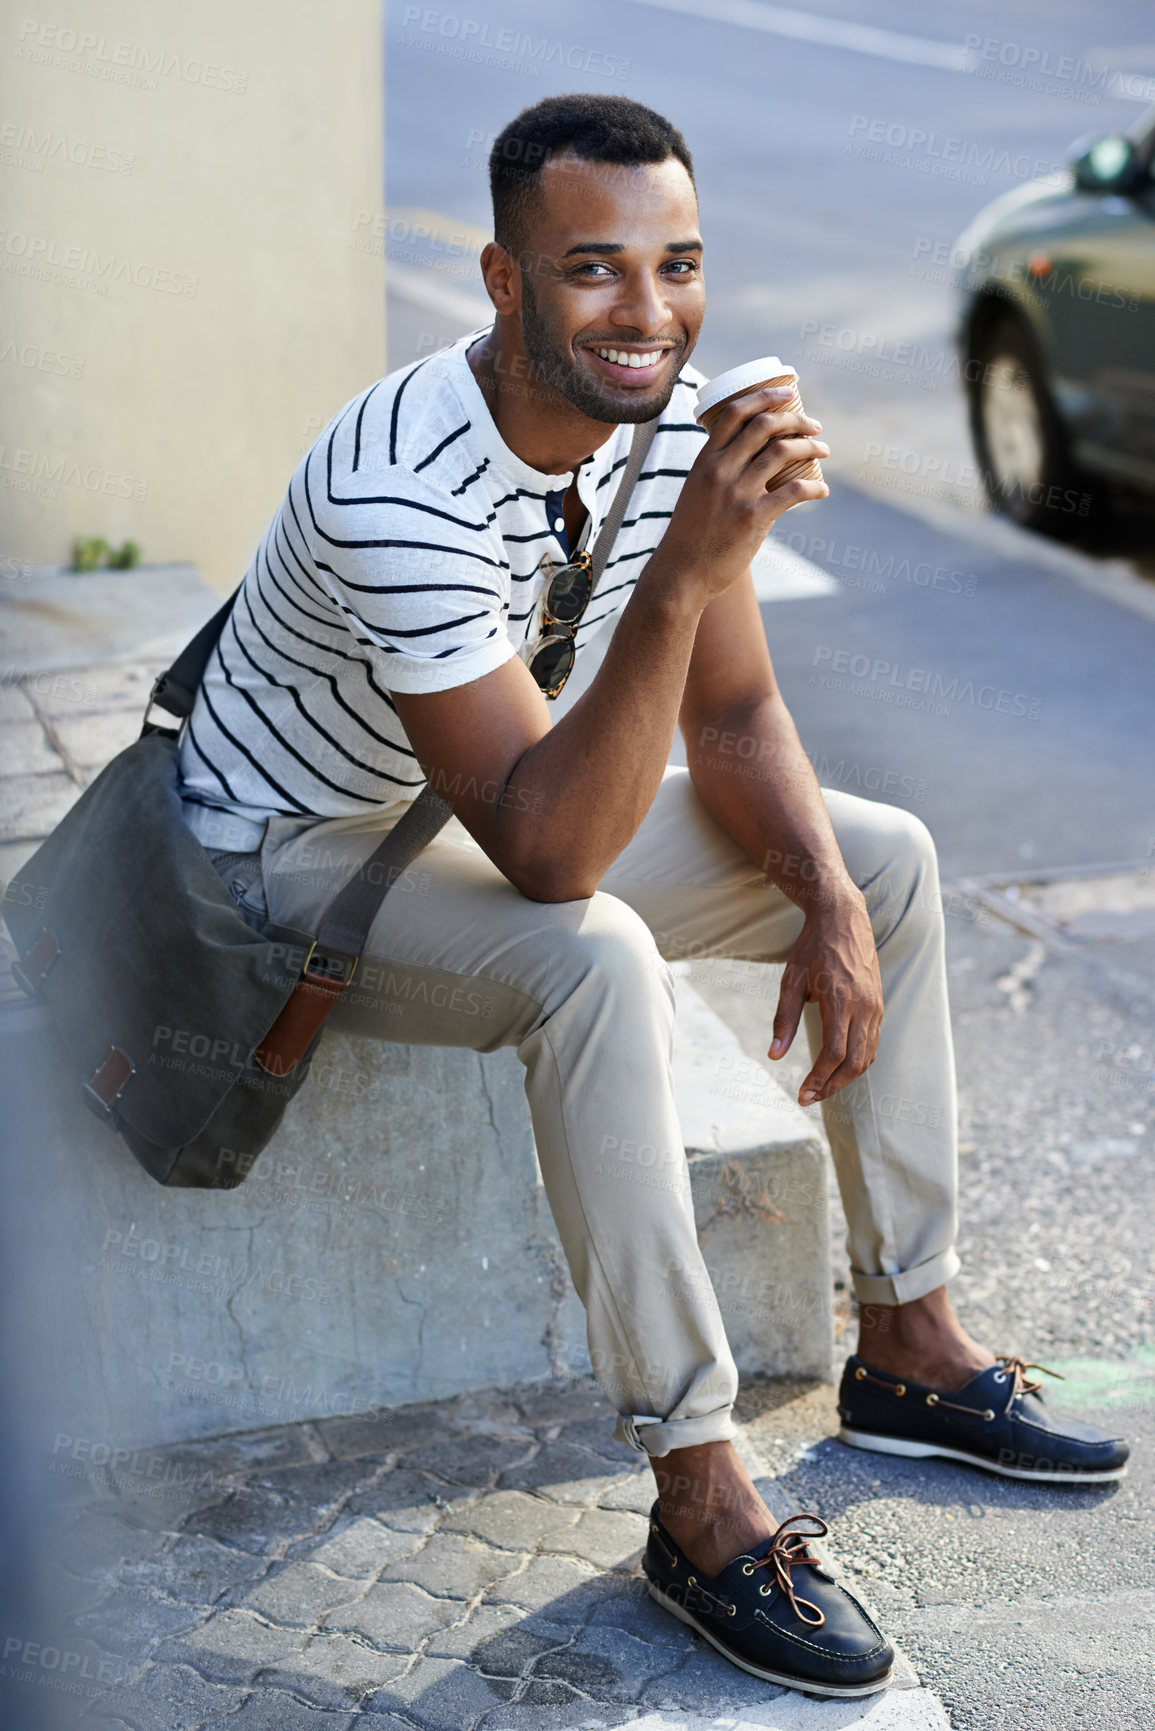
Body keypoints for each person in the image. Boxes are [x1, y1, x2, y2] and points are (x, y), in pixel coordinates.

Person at [177, 93, 1128, 1699]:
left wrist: (822, 893)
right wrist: (686, 565)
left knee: (877, 852)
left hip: (479, 805)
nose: (651, 313)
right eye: (595, 270)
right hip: (293, 860)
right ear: (502, 281)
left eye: (677, 264)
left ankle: (908, 1340)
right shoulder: (398, 488)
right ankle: (697, 1492)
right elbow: (552, 861)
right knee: (594, 956)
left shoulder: (684, 412)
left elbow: (737, 717)